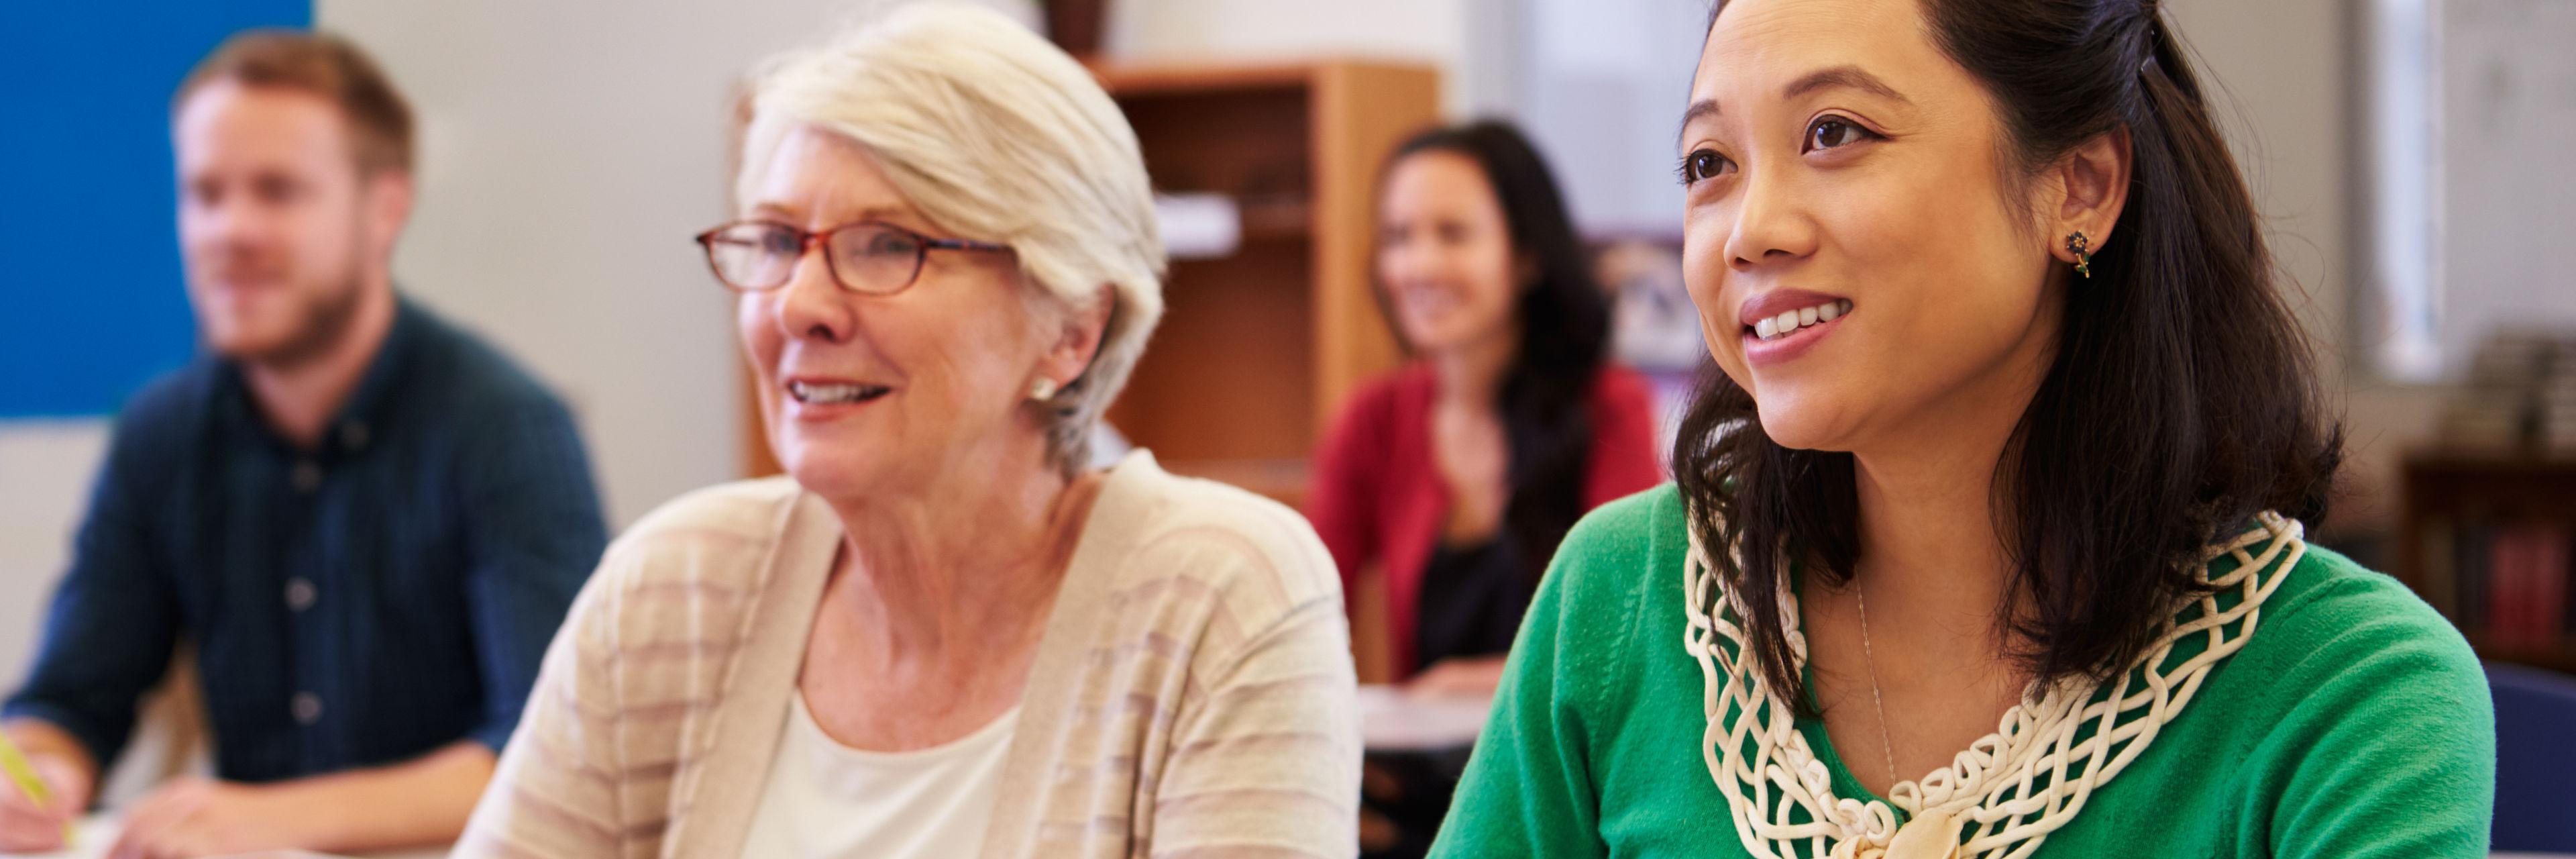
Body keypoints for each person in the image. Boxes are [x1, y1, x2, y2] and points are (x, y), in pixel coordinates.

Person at [1433, 0, 2494, 856]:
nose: (1749, 231)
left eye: (1835, 133)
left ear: (2079, 185)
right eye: (1711, 163)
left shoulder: (2351, 692)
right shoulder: (1622, 593)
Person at [452, 6, 1359, 858]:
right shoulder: (673, 588)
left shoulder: (1219, 594)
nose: (799, 305)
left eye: (889, 245)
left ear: (1073, 330)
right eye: (775, 241)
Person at [0, 30, 607, 859]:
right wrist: (35, 770)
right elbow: (72, 699)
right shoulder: (161, 433)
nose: (231, 229)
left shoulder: (505, 427)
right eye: (206, 193)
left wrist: (275, 814)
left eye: (278, 191)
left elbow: (554, 754)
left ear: (385, 207)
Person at [1307, 121, 1662, 700]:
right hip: (1424, 782)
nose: (1418, 266)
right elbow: (1306, 610)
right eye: (1398, 237)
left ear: (1526, 256)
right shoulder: (1373, 419)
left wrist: (1475, 687)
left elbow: (1633, 629)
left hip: (1575, 769)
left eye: (1452, 234)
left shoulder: (1610, 407)